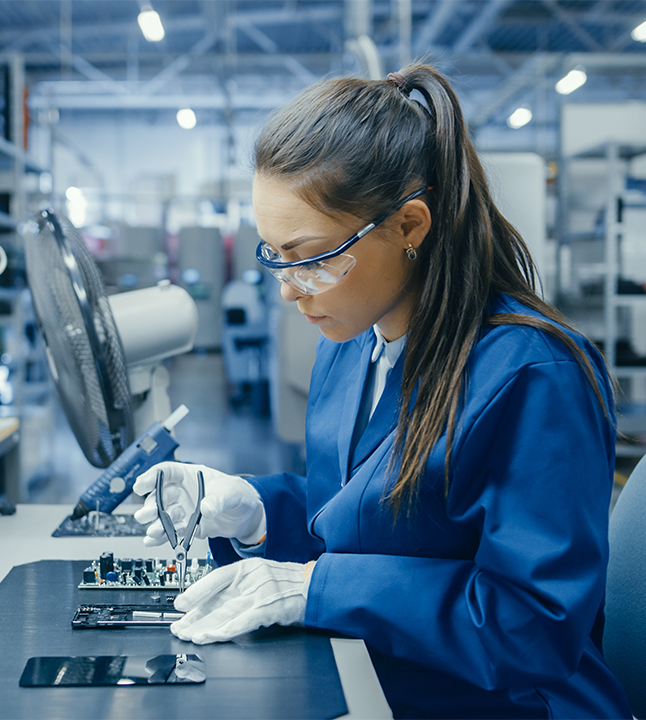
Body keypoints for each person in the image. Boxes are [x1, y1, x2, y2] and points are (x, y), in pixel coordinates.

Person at [133, 65, 632, 719]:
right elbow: (363, 520)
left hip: (512, 703)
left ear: (409, 226)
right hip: (381, 678)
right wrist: (255, 509)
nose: (288, 289)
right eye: (272, 253)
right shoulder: (350, 346)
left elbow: (530, 626)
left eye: (310, 256)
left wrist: (315, 589)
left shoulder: (534, 375)